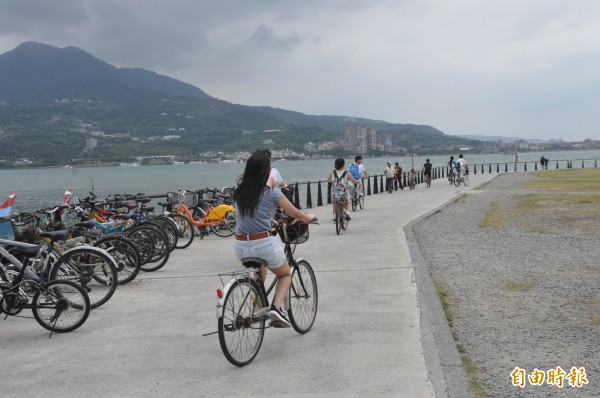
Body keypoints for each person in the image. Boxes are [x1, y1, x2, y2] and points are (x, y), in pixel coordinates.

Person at [232, 150, 315, 328]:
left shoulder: (238, 193)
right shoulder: (272, 193)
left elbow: (252, 216)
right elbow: (294, 212)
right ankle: (276, 309)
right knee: (285, 274)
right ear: (265, 172)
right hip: (262, 243)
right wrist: (307, 217)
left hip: (240, 246)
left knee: (260, 268)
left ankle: (257, 296)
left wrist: (271, 221)